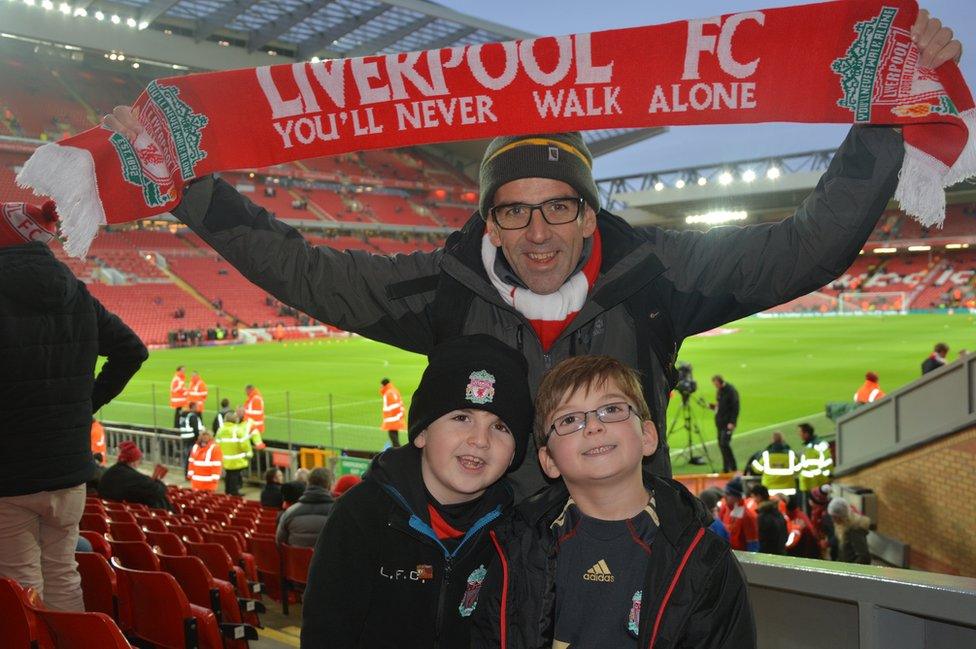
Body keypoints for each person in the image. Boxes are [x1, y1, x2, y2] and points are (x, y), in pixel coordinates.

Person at [101, 12, 960, 499]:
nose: (537, 231)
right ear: (490, 220)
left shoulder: (654, 273)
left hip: (636, 563)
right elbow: (305, 270)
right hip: (496, 577)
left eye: (558, 207)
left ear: (590, 213)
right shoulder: (446, 286)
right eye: (513, 211)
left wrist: (878, 122)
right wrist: (191, 190)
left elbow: (803, 249)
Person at [472, 355, 754, 648]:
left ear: (647, 436)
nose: (593, 426)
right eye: (569, 419)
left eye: (611, 409)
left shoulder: (704, 559)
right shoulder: (515, 547)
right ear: (549, 460)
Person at [301, 334, 533, 648]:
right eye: (462, 417)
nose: (480, 440)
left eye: (500, 427)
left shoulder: (515, 533)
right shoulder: (362, 516)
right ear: (422, 432)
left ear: (515, 452)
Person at [0, 201, 147, 612]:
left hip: (10, 473)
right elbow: (132, 351)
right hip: (68, 472)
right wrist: (85, 405)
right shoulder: (75, 292)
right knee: (64, 574)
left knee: (21, 585)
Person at [98, 441, 172, 511]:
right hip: (128, 514)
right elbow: (158, 490)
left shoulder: (109, 473)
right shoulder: (134, 477)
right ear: (134, 461)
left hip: (111, 512)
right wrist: (159, 481)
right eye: (139, 460)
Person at [276, 467, 335, 548]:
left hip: (295, 560)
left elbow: (280, 543)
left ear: (308, 483)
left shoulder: (290, 512)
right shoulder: (338, 513)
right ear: (329, 486)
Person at [749, 431, 800, 497]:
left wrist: (754, 462)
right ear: (782, 441)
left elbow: (758, 469)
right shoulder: (791, 455)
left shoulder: (766, 455)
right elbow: (798, 468)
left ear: (771, 441)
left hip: (769, 490)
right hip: (789, 490)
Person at [216, 407, 252, 496]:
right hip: (236, 458)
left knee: (228, 474)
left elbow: (217, 444)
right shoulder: (238, 430)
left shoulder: (220, 430)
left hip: (225, 457)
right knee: (234, 475)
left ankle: (228, 491)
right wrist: (248, 453)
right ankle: (234, 492)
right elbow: (244, 443)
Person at [719, 476, 759, 552]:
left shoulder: (747, 516)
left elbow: (753, 545)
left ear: (737, 497)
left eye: (728, 494)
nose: (724, 497)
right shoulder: (724, 508)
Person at [797, 423, 832, 510]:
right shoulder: (808, 446)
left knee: (817, 508)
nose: (799, 435)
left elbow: (828, 461)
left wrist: (827, 477)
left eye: (800, 432)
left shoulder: (817, 446)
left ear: (806, 433)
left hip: (815, 484)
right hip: (810, 484)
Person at [711, 375, 741, 472]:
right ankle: (726, 468)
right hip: (720, 422)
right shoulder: (719, 391)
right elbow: (720, 405)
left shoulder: (731, 391)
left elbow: (735, 408)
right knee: (721, 444)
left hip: (727, 422)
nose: (715, 386)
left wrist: (732, 422)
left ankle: (733, 466)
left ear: (720, 382)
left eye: (716, 384)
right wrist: (713, 407)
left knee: (724, 443)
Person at [828, 498, 871, 565]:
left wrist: (850, 571)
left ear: (842, 516)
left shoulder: (854, 529)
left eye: (835, 517)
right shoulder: (842, 525)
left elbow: (864, 556)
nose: (833, 520)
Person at [753, 485, 787, 555]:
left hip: (769, 555)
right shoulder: (777, 512)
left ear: (759, 497)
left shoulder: (763, 516)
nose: (754, 500)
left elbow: (763, 540)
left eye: (753, 497)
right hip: (781, 553)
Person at [178, 401, 204, 476]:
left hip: (185, 438)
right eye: (196, 406)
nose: (197, 408)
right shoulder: (192, 416)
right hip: (191, 439)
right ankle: (190, 474)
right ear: (193, 407)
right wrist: (198, 439)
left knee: (187, 457)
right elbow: (195, 429)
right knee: (192, 457)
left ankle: (187, 473)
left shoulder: (183, 415)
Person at [379, 377, 405, 448]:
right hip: (395, 417)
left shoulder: (389, 393)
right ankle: (397, 449)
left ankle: (397, 451)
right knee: (394, 434)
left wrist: (391, 415)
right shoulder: (393, 390)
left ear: (383, 384)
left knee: (393, 436)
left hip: (392, 418)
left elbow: (394, 405)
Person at [243, 385, 266, 450]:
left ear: (249, 390)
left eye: (246, 391)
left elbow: (252, 413)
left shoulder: (255, 399)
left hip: (254, 426)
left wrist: (243, 417)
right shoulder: (254, 398)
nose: (245, 393)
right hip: (255, 426)